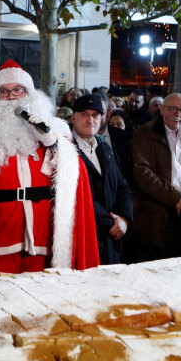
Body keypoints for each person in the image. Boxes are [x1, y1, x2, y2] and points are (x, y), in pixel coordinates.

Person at [0, 60, 98, 275]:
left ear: (29, 94)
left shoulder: (53, 133)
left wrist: (51, 143)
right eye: (4, 91)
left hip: (43, 238)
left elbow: (73, 176)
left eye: (18, 90)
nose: (11, 97)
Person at [129, 93, 181, 262]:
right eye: (173, 108)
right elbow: (142, 174)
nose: (178, 114)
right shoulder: (144, 134)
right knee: (156, 271)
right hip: (156, 217)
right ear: (162, 109)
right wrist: (175, 198)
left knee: (180, 267)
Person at [70, 95, 132, 264]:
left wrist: (125, 219)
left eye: (96, 115)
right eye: (84, 114)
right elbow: (78, 196)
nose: (91, 119)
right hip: (84, 239)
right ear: (73, 118)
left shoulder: (104, 148)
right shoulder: (65, 151)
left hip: (111, 241)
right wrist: (111, 223)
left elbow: (122, 186)